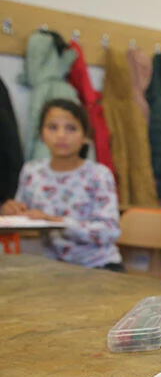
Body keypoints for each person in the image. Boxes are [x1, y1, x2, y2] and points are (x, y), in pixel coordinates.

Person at [0, 99, 124, 272]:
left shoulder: (98, 174)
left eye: (71, 128)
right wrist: (11, 212)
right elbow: (23, 221)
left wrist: (58, 222)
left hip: (98, 267)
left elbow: (109, 232)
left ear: (85, 136)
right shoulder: (32, 171)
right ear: (41, 134)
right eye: (52, 127)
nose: (61, 135)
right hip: (51, 269)